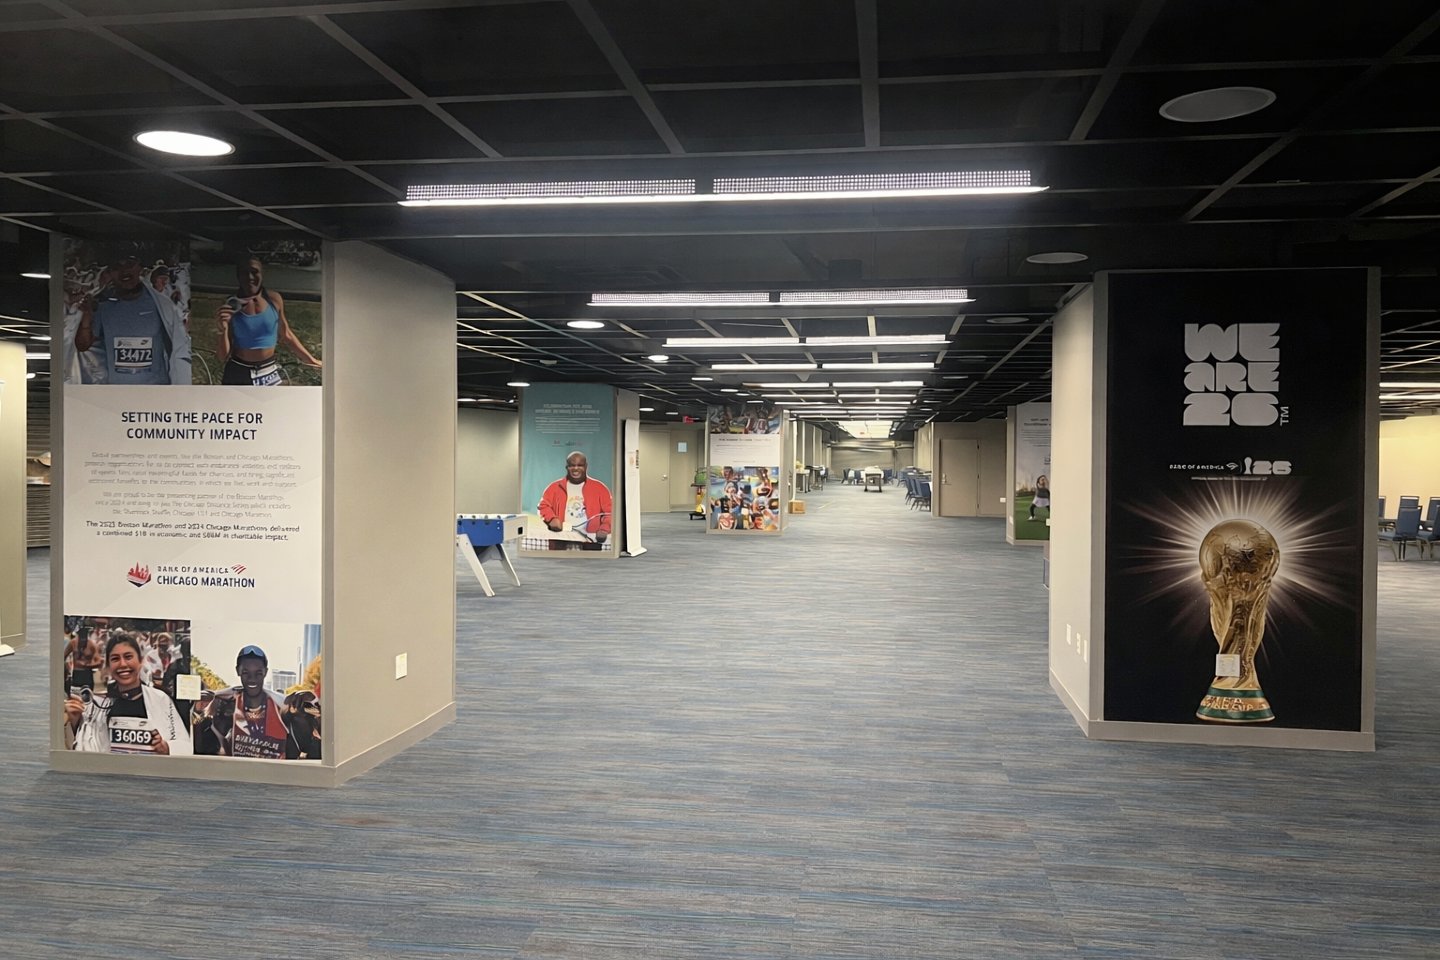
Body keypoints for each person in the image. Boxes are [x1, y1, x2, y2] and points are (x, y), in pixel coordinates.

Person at [64, 632, 192, 755]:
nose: (123, 664)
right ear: (108, 666)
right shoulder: (97, 705)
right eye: (115, 659)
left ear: (141, 661)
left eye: (128, 657)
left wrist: (166, 747)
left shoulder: (160, 699)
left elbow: (185, 746)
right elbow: (84, 748)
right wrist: (75, 723)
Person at [74, 251, 191, 384]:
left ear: (139, 267)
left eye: (130, 264)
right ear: (110, 272)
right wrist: (86, 318)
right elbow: (83, 346)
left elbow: (179, 348)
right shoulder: (102, 306)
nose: (124, 271)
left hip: (157, 394)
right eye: (117, 267)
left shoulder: (161, 305)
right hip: (118, 395)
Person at [215, 256, 322, 385]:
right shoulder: (230, 305)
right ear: (238, 276)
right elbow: (223, 356)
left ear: (262, 274)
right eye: (244, 273)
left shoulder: (274, 299)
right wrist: (223, 330)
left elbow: (286, 334)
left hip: (268, 371)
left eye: (254, 272)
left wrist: (311, 360)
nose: (250, 277)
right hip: (239, 372)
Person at [538, 451, 613, 548]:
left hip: (590, 541)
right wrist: (551, 519)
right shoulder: (554, 487)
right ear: (567, 467)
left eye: (580, 465)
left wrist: (604, 529)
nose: (576, 468)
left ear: (586, 466)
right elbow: (543, 506)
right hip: (560, 539)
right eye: (572, 465)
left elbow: (610, 513)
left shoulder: (600, 488)